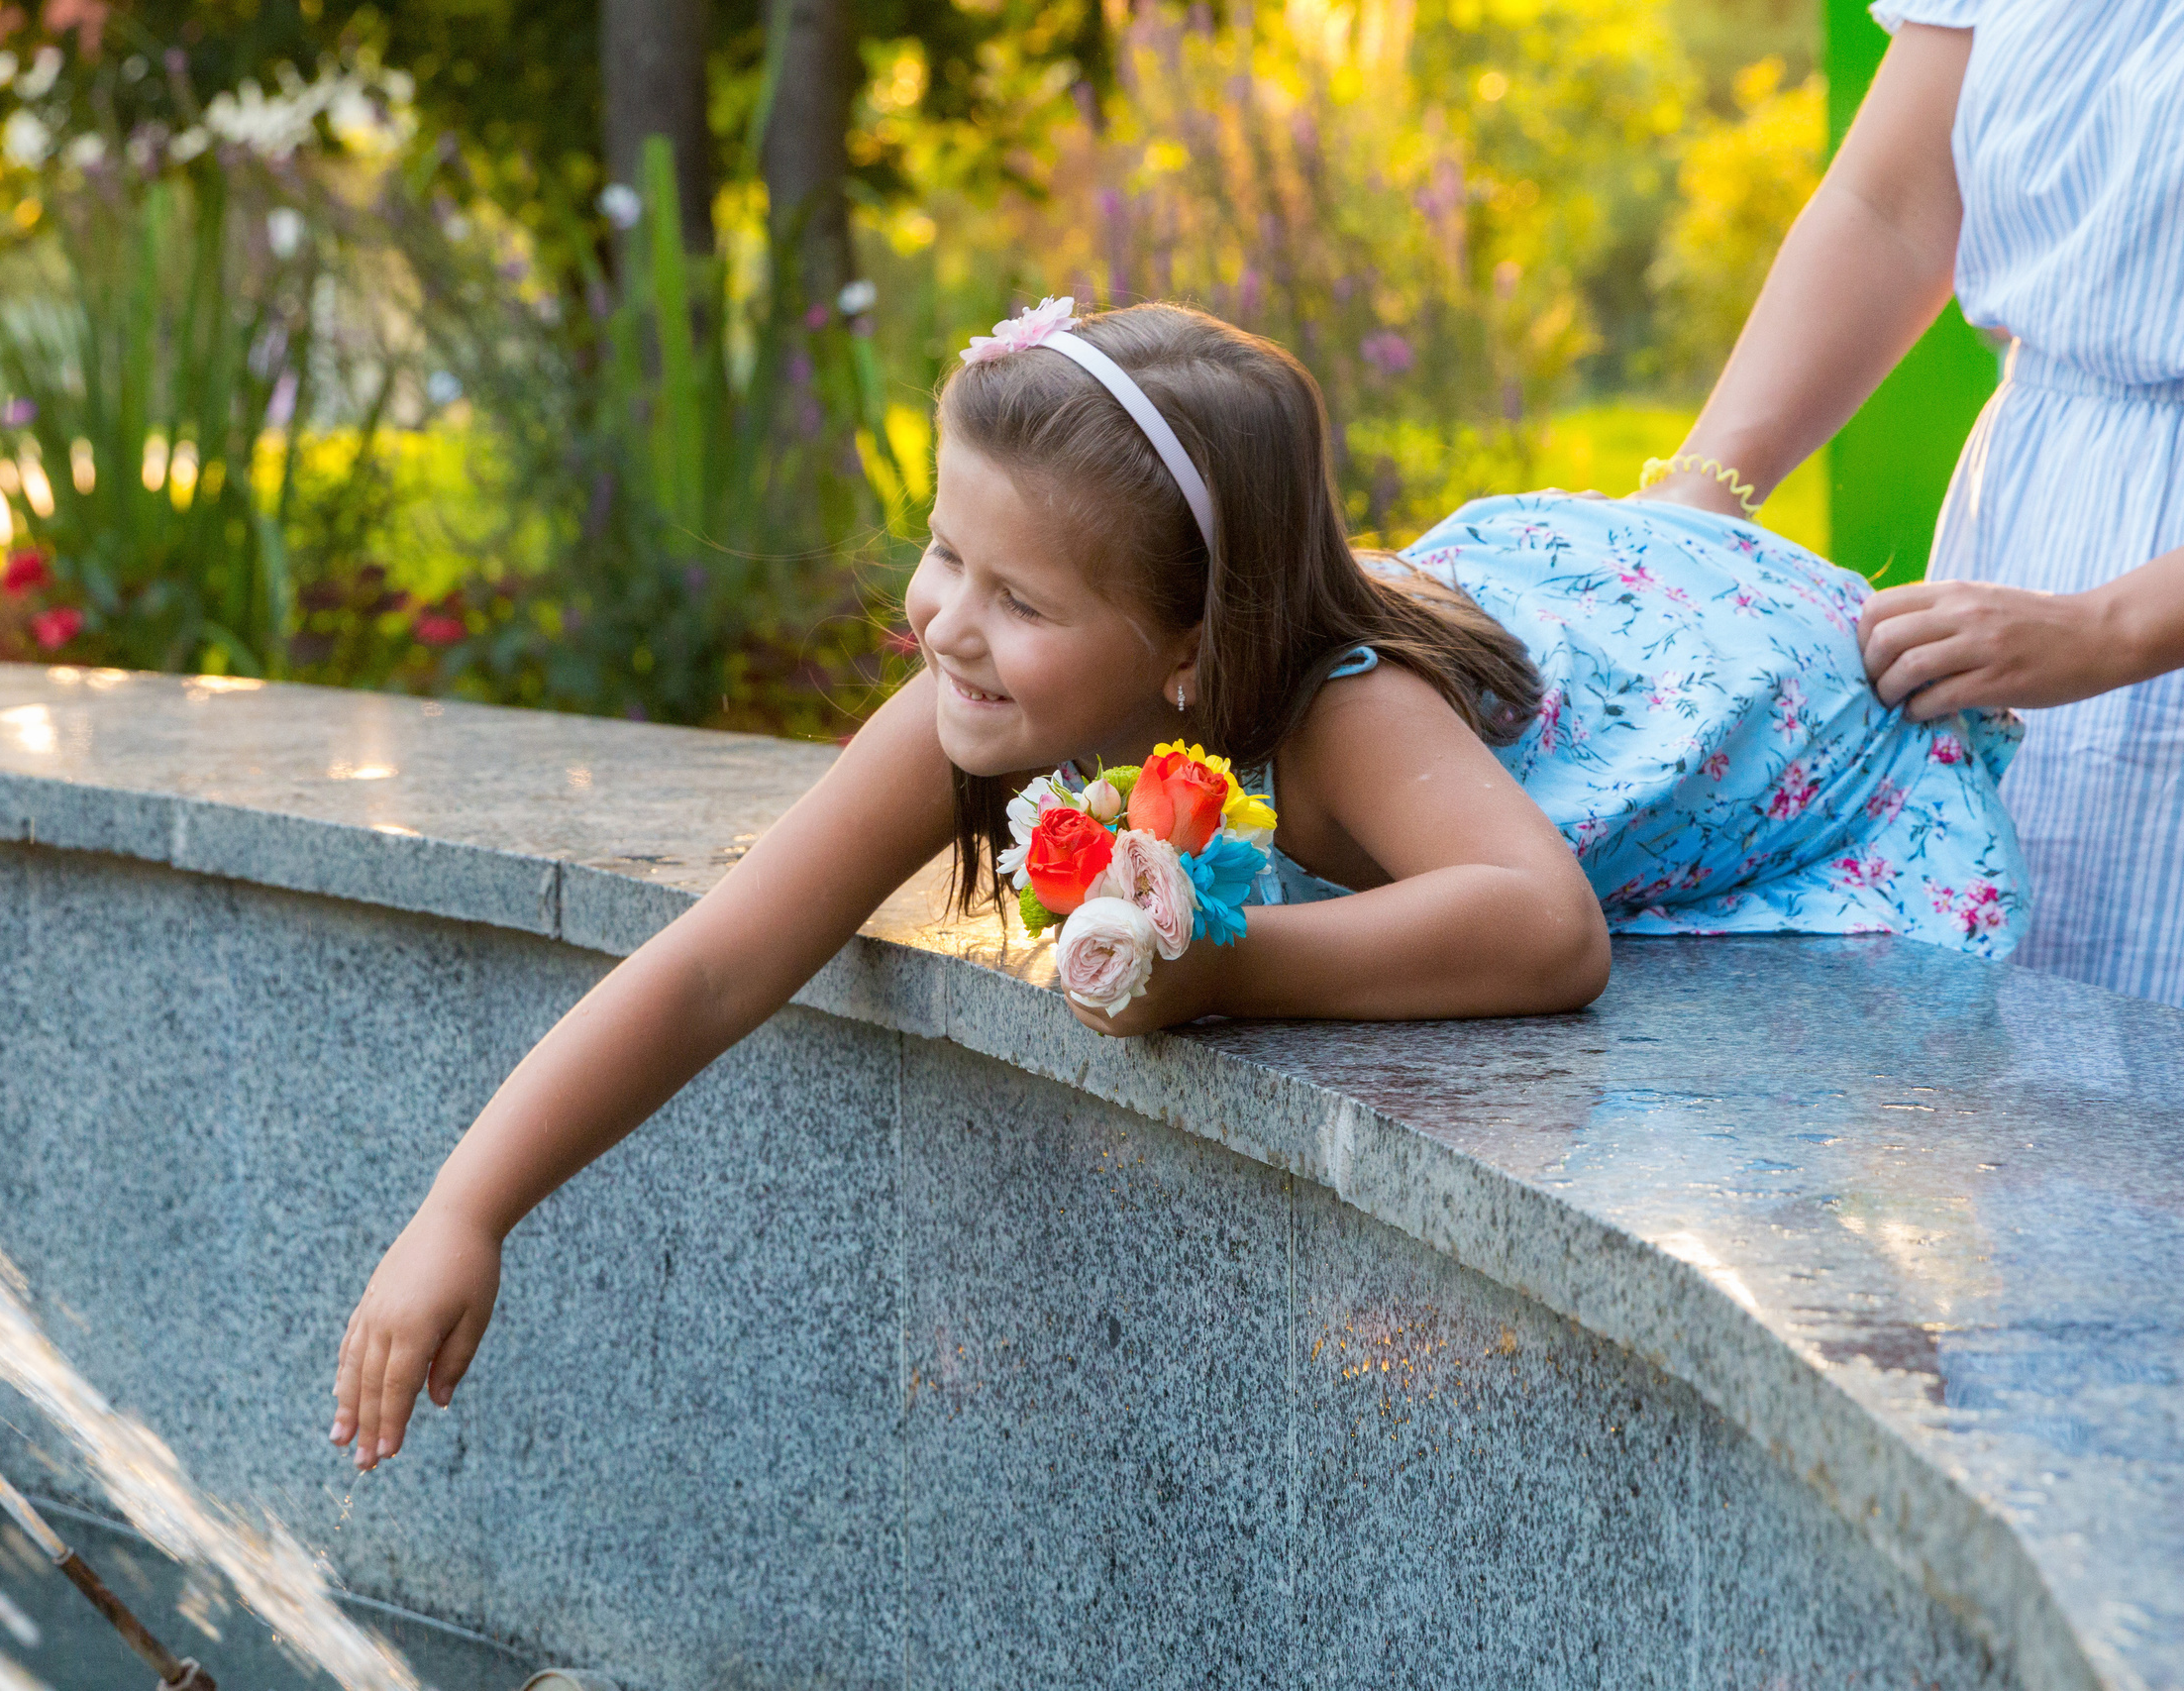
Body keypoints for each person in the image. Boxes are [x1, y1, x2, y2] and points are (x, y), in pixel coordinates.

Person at [331, 302, 2024, 1467]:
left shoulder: (1343, 708)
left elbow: (1543, 923)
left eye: (1017, 596)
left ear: (1185, 651)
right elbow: (717, 962)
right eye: (944, 551)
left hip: (1806, 744)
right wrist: (466, 1207)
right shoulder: (979, 692)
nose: (941, 622)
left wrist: (1223, 960)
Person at [1639, 7, 2184, 1006]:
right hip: (2033, 516)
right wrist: (1697, 495)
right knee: (2027, 1078)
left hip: (2146, 609)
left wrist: (2112, 626)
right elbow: (1890, 207)